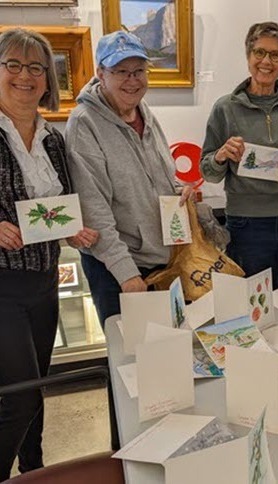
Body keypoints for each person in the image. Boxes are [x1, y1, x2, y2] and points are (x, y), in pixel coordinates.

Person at [0, 28, 98, 480]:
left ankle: (34, 470)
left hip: (44, 279)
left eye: (36, 67)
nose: (25, 76)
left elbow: (56, 210)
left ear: (47, 78)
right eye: (13, 65)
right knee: (19, 394)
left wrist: (73, 230)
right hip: (2, 287)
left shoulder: (54, 139)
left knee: (36, 385)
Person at [65, 30, 193, 326]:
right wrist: (127, 274)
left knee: (169, 347)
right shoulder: (84, 123)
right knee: (132, 359)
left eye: (138, 71)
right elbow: (93, 208)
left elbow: (162, 174)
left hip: (160, 259)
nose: (132, 80)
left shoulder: (143, 111)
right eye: (121, 71)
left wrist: (178, 190)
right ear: (101, 73)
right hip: (119, 268)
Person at [200, 21, 278, 289]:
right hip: (245, 225)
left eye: (275, 55)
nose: (266, 61)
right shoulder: (225, 108)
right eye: (259, 52)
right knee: (249, 304)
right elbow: (208, 171)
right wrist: (221, 156)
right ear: (248, 57)